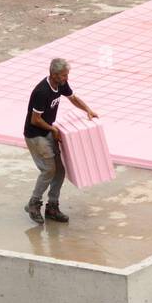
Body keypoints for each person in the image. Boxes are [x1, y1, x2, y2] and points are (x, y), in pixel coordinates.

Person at [23, 57, 98, 224]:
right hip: (36, 135)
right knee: (49, 170)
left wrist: (88, 110)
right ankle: (34, 203)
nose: (66, 78)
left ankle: (52, 206)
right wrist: (53, 129)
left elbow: (73, 98)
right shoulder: (41, 91)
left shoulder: (61, 84)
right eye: (64, 75)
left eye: (67, 74)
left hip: (48, 130)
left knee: (60, 171)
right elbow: (35, 120)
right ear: (54, 74)